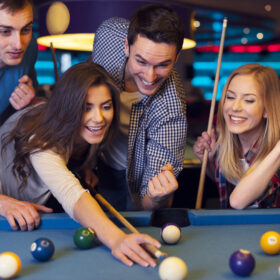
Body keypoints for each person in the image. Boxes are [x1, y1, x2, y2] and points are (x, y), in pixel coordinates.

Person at [0, 62, 160, 267]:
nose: (99, 118)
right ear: (68, 108)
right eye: (86, 108)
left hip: (28, 203)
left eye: (106, 106)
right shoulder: (41, 141)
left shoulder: (82, 131)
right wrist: (117, 239)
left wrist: (81, 167)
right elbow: (70, 193)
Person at [92, 4, 187, 211]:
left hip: (130, 175)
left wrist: (157, 197)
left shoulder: (171, 109)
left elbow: (148, 201)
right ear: (126, 46)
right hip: (88, 160)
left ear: (177, 58)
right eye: (141, 61)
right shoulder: (108, 35)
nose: (150, 77)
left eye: (162, 65)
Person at [193, 63, 280, 209]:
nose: (235, 107)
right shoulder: (225, 147)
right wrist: (209, 161)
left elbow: (238, 201)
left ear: (267, 110)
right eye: (230, 97)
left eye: (248, 100)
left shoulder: (275, 152)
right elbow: (229, 180)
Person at [0, 0, 37, 124]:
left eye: (26, 30)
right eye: (5, 31)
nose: (18, 45)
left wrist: (30, 102)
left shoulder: (30, 47)